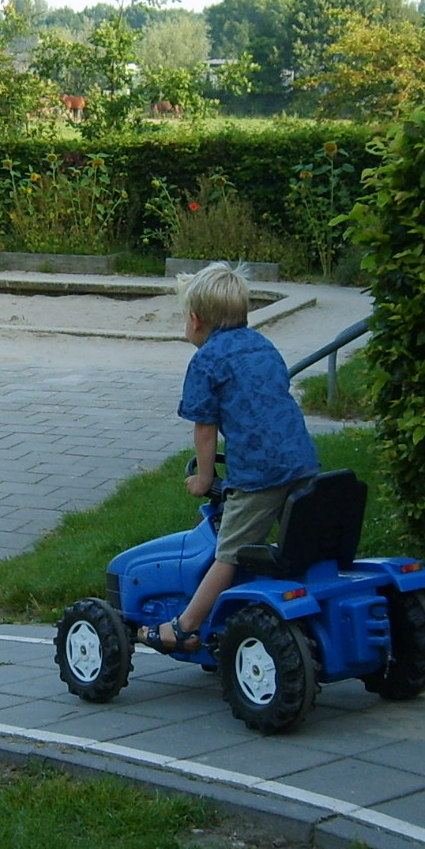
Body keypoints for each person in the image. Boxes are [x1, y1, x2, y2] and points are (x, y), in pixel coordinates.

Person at [140, 263, 320, 653]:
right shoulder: (263, 345)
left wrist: (203, 480)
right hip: (303, 461)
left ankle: (185, 627)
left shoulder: (206, 361)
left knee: (229, 552)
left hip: (259, 474)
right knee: (301, 542)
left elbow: (205, 429)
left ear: (194, 320)